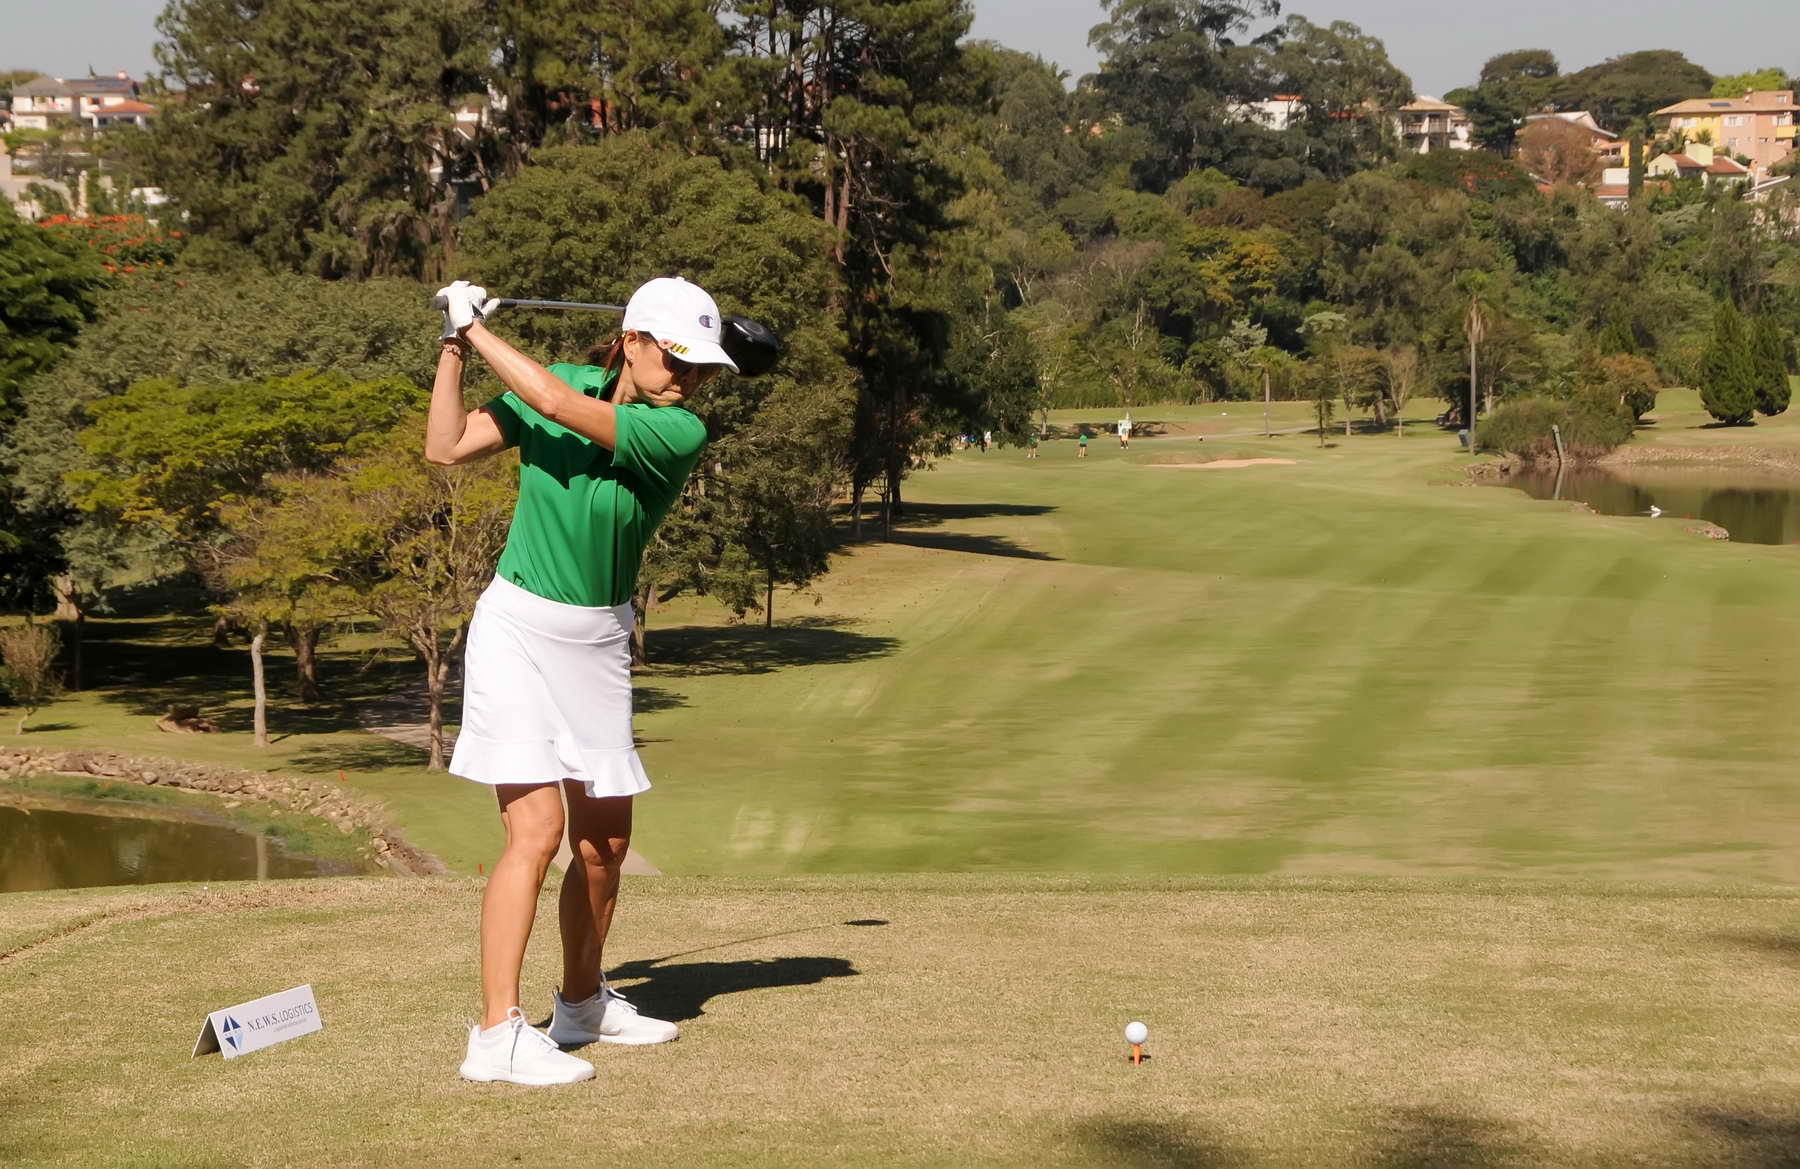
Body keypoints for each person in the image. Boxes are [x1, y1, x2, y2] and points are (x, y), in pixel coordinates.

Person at [425, 276, 736, 1086]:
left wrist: (478, 329)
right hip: (518, 628)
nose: (689, 378)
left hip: (597, 642)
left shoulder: (677, 429)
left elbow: (556, 404)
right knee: (535, 832)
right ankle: (496, 1032)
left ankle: (581, 1003)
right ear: (632, 340)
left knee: (605, 845)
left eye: (700, 367)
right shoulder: (556, 380)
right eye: (678, 359)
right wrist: (454, 344)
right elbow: (445, 447)